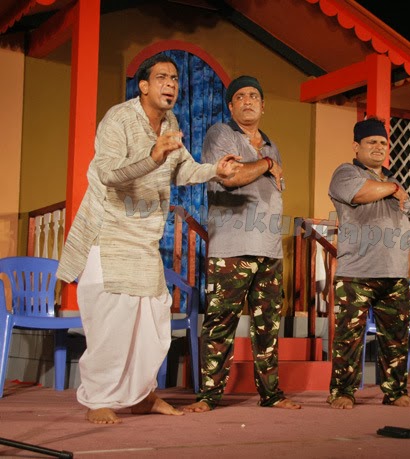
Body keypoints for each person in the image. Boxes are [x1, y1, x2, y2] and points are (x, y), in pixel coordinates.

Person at [56, 53, 240, 424]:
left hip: (144, 240)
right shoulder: (119, 118)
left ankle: (142, 395)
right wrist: (153, 157)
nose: (170, 84)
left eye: (174, 78)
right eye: (161, 77)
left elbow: (183, 170)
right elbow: (108, 173)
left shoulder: (170, 122)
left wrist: (215, 171)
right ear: (143, 86)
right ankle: (99, 399)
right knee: (111, 325)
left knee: (153, 323)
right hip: (110, 234)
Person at [182, 75, 300, 412]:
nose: (248, 101)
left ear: (263, 106)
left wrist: (268, 161)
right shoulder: (221, 134)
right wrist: (267, 164)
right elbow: (231, 176)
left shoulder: (272, 145)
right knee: (221, 324)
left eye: (254, 96)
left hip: (269, 249)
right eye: (240, 97)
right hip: (231, 248)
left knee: (268, 329)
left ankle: (271, 394)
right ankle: (208, 396)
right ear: (231, 106)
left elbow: (274, 190)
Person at [326, 117, 410, 410]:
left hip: (395, 273)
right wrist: (393, 188)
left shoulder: (394, 183)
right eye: (371, 141)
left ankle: (395, 392)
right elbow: (360, 194)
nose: (378, 147)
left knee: (396, 339)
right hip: (356, 273)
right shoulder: (346, 173)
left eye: (383, 142)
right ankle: (342, 392)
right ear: (356, 146)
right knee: (348, 339)